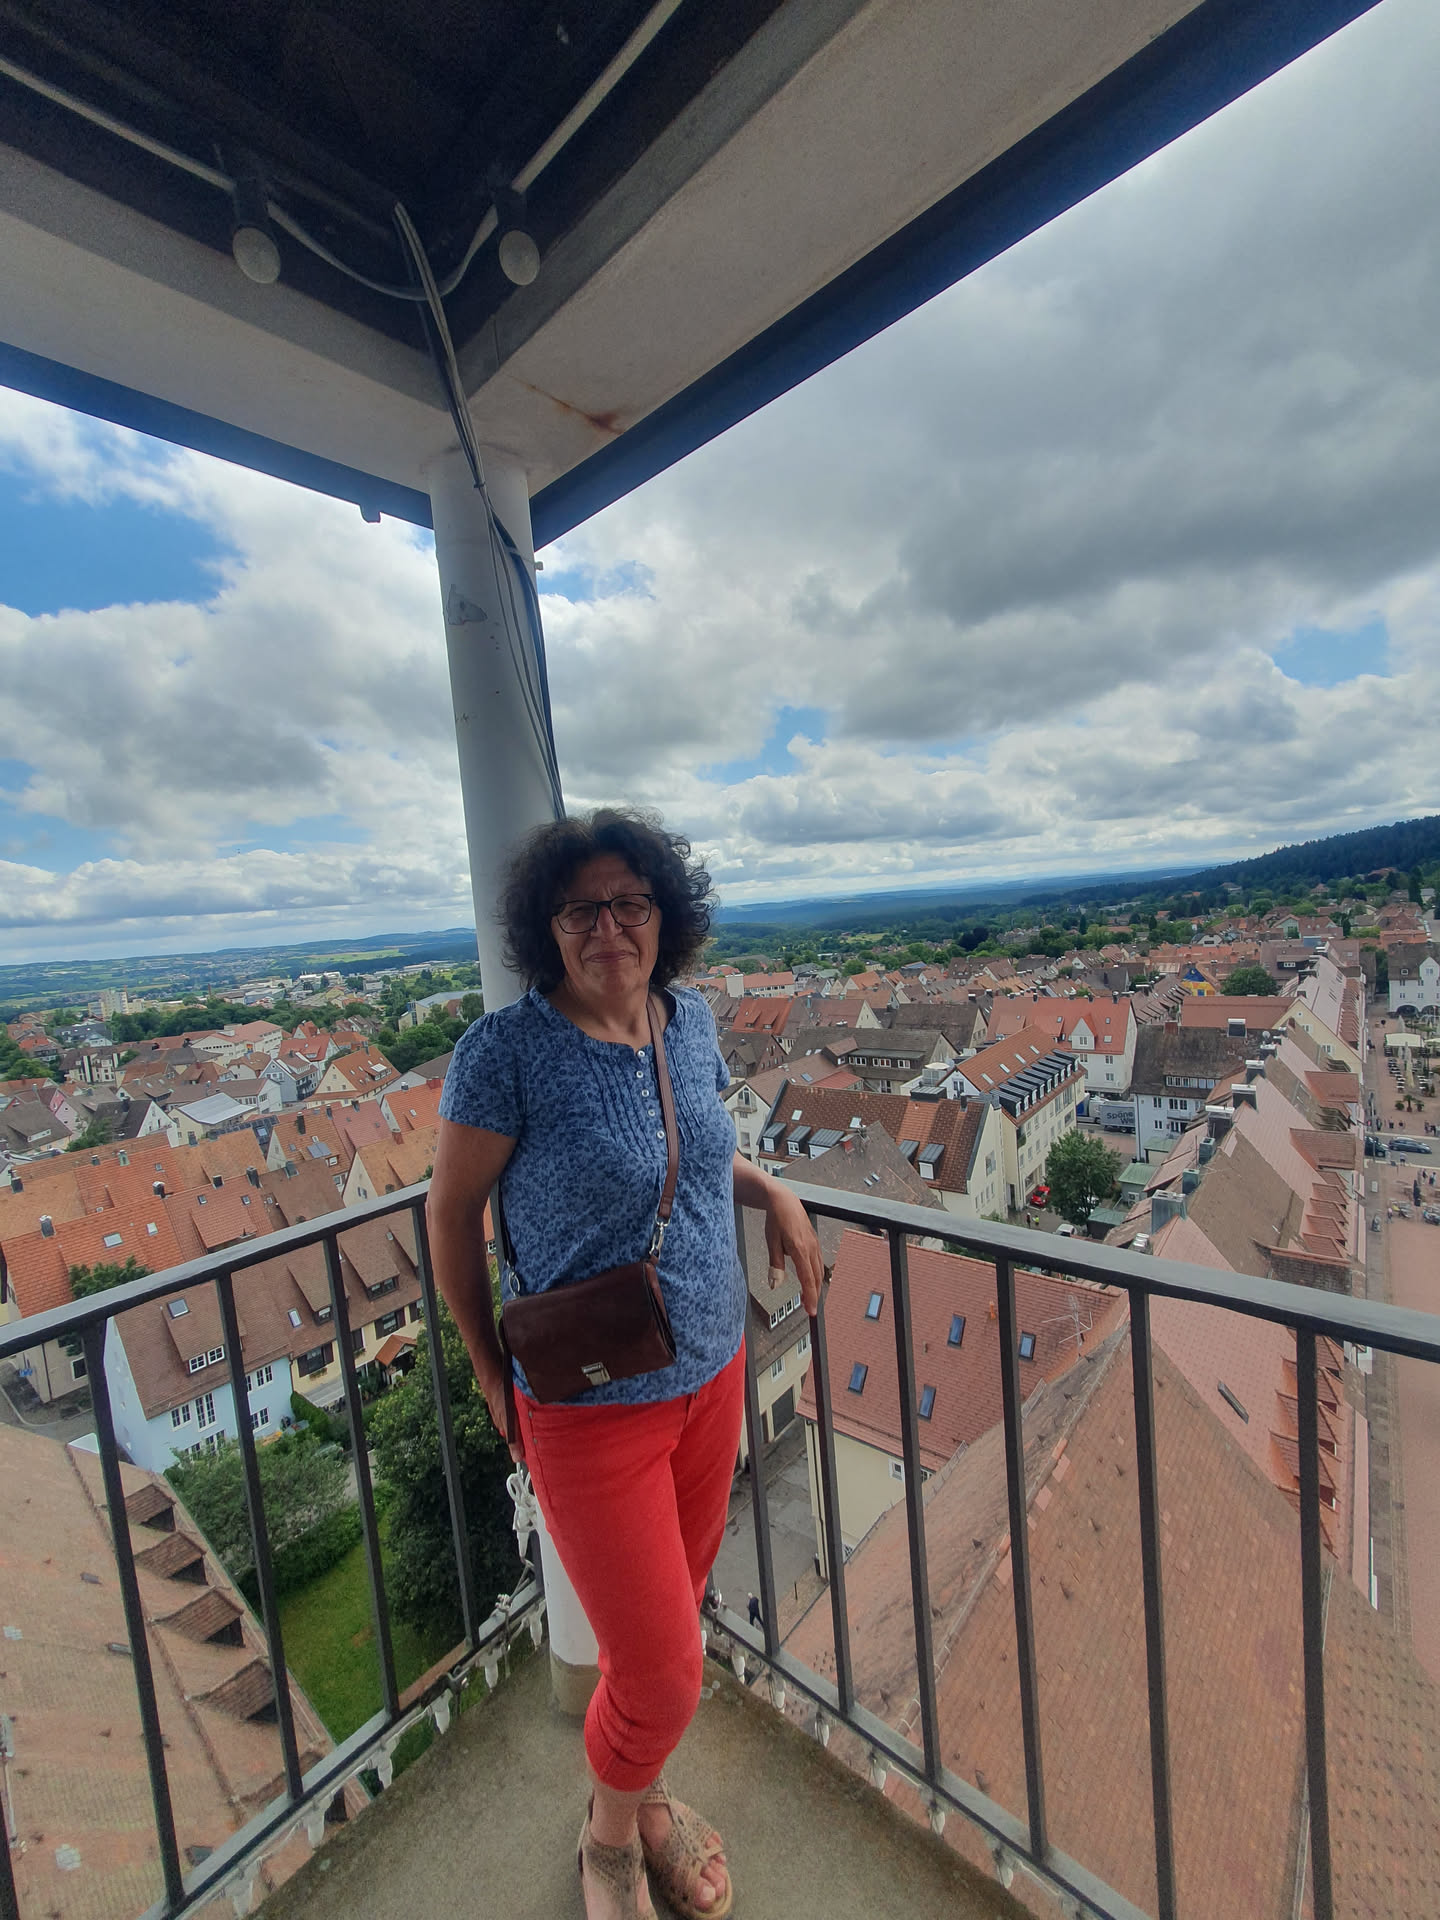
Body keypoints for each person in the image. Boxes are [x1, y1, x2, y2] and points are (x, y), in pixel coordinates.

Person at [427, 808, 822, 1920]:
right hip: (589, 1406)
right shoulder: (505, 1054)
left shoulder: (686, 1022)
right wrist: (489, 1372)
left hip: (711, 1374)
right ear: (546, 927)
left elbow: (692, 1153)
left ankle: (642, 1798)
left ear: (665, 915)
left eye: (630, 904)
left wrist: (774, 1189)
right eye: (581, 909)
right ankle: (607, 1844)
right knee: (661, 1669)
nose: (609, 927)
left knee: (669, 1625)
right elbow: (451, 1217)